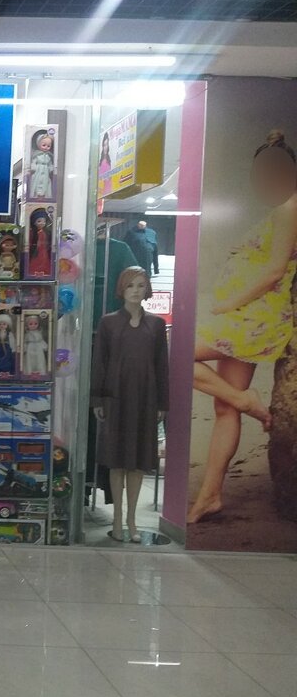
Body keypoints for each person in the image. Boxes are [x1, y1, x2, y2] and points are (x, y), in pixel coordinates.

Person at [188, 130, 297, 524]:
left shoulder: (290, 208)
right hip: (249, 316)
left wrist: (227, 303)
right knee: (225, 405)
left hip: (252, 317)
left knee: (176, 355)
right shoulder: (283, 209)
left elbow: (274, 271)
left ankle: (249, 403)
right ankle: (211, 495)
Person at [91, 267, 169, 542]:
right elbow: (99, 363)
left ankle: (132, 522)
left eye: (140, 285)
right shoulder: (108, 323)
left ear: (147, 289)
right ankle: (117, 520)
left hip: (146, 399)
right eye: (130, 285)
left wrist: (162, 403)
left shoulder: (156, 325)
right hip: (115, 398)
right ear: (121, 289)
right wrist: (97, 398)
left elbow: (162, 366)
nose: (136, 290)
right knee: (116, 461)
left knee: (137, 462)